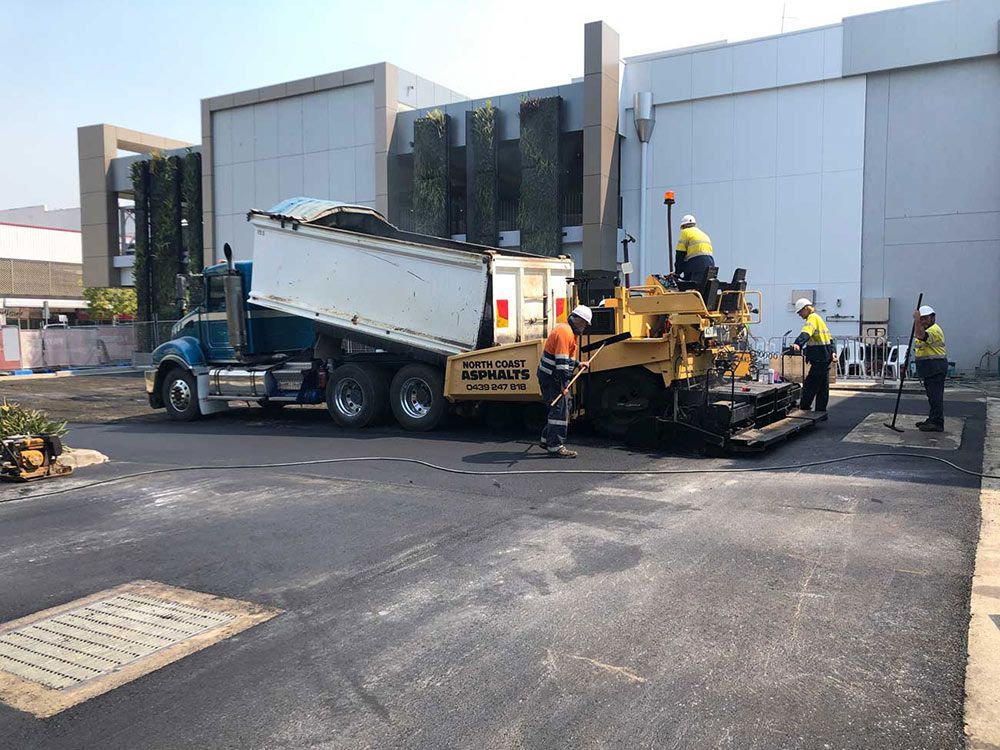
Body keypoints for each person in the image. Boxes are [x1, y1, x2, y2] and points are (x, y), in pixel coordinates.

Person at [537, 305, 593, 458]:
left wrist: (578, 364)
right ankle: (555, 446)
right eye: (585, 324)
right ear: (578, 320)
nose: (585, 328)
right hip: (551, 377)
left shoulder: (568, 332)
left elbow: (567, 359)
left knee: (563, 406)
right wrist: (564, 385)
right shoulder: (565, 333)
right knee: (559, 409)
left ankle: (546, 440)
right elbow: (561, 364)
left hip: (552, 376)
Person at [790, 298, 836, 412]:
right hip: (825, 357)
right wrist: (833, 351)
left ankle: (804, 407)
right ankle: (821, 410)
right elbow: (829, 337)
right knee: (822, 387)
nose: (799, 314)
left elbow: (806, 332)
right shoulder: (819, 319)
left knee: (810, 384)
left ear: (806, 309)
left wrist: (798, 343)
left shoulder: (812, 318)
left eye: (800, 312)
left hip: (819, 358)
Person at [912, 304, 947, 432]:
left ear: (933, 318)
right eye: (921, 319)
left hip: (935, 367)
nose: (923, 321)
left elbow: (921, 336)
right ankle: (933, 419)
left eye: (925, 318)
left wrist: (916, 321)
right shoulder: (926, 329)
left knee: (935, 396)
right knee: (932, 396)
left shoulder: (934, 331)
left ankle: (937, 422)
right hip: (929, 368)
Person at [674, 214, 716, 283]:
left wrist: (677, 272)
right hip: (710, 266)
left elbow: (680, 254)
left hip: (697, 265)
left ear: (683, 226)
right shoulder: (703, 234)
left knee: (688, 287)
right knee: (703, 288)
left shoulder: (685, 232)